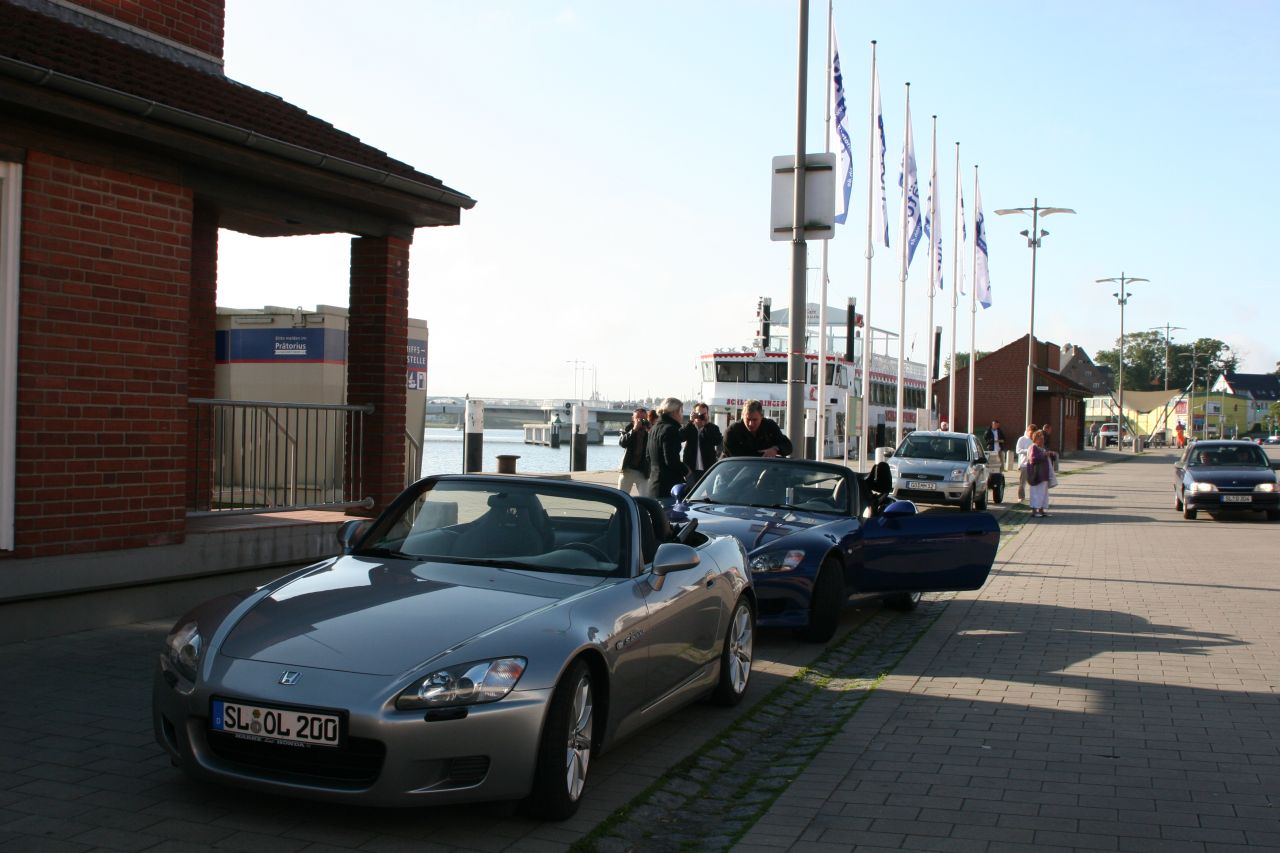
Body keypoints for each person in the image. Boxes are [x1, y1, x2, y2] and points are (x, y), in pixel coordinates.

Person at [646, 397, 688, 504]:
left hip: (653, 485)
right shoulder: (671, 429)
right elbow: (671, 460)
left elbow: (648, 456)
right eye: (681, 411)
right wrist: (687, 472)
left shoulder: (653, 428)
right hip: (669, 487)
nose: (682, 415)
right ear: (675, 412)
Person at [724, 399, 793, 458]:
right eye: (748, 419)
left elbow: (788, 447)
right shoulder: (732, 432)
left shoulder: (770, 426)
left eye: (755, 420)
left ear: (761, 416)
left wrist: (775, 449)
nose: (751, 424)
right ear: (742, 416)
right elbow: (732, 458)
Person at [680, 401, 723, 488]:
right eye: (699, 414)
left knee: (709, 491)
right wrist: (690, 421)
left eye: (704, 414)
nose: (701, 416)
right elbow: (681, 437)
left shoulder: (713, 428)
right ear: (694, 413)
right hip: (691, 469)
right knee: (691, 491)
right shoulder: (690, 427)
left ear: (708, 414)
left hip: (708, 468)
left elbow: (717, 441)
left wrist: (706, 425)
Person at [616, 407, 651, 497]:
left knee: (646, 498)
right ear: (633, 418)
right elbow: (622, 443)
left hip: (643, 470)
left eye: (643, 419)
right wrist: (634, 430)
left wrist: (650, 431)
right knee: (621, 497)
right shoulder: (628, 429)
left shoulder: (650, 431)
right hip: (628, 469)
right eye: (638, 418)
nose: (640, 421)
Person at [1026, 429, 1053, 517]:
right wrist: (1044, 455)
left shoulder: (1042, 448)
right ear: (1036, 439)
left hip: (1043, 474)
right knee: (1036, 492)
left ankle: (1041, 510)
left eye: (1043, 438)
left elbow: (1047, 457)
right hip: (1036, 474)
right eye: (1040, 438)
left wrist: (1051, 454)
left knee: (1043, 493)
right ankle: (1034, 511)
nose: (1042, 439)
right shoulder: (1033, 447)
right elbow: (1032, 459)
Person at [1016, 423, 1036, 501]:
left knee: (1034, 482)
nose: (1032, 435)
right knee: (1022, 482)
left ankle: (1034, 497)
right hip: (1024, 464)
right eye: (1031, 433)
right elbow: (1018, 450)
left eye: (1033, 433)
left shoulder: (1035, 439)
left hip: (1034, 464)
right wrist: (1028, 451)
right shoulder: (1022, 439)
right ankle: (1021, 497)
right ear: (1027, 431)